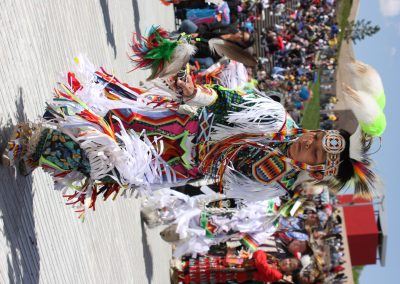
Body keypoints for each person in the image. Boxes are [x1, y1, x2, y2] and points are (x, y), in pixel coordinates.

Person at [2, 27, 378, 217]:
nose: (308, 148)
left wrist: (222, 193)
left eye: (314, 157)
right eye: (315, 142)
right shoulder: (275, 117)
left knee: (110, 167)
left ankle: (41, 146)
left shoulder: (278, 183)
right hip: (178, 125)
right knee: (110, 125)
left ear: (314, 168)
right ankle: (38, 137)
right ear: (316, 132)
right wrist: (195, 94)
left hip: (179, 166)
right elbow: (227, 103)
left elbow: (226, 192)